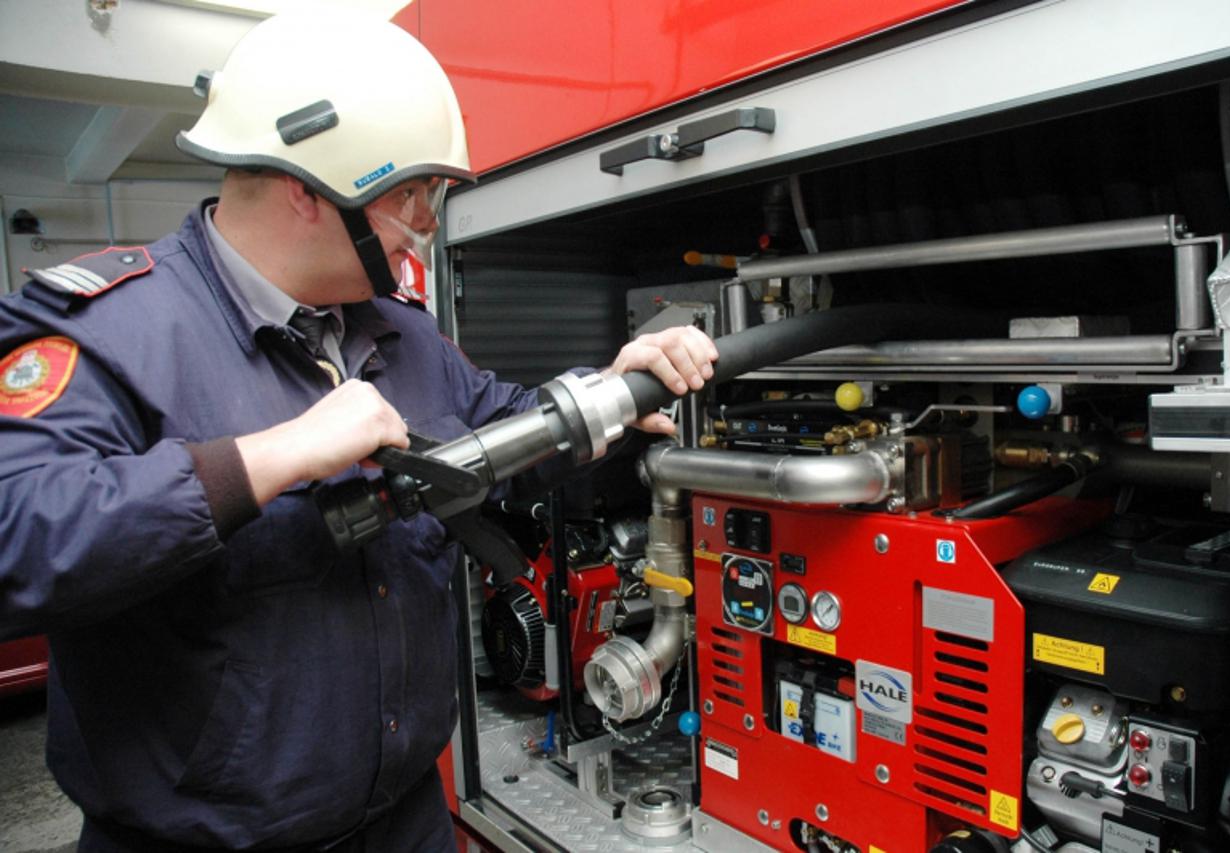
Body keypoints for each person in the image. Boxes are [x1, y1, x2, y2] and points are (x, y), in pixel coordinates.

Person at [0, 11, 717, 852]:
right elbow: (17, 538)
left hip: (407, 820)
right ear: (310, 189)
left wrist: (614, 388)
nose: (425, 219)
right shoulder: (112, 333)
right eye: (407, 193)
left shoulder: (397, 333)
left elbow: (504, 435)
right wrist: (272, 458)